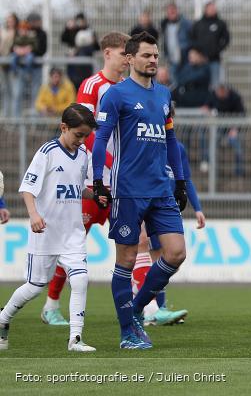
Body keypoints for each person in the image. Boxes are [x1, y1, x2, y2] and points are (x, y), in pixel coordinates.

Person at [91, 32, 189, 350]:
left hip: (161, 189)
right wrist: (97, 180)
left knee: (176, 253)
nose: (153, 60)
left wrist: (181, 181)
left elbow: (171, 141)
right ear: (130, 58)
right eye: (147, 55)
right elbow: (102, 139)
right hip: (128, 189)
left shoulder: (163, 96)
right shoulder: (116, 96)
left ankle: (134, 310)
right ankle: (127, 333)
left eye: (156, 55)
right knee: (128, 258)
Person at [39, 32, 130, 326]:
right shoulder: (93, 86)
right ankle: (51, 304)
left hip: (123, 178)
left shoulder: (129, 88)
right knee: (73, 243)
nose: (127, 59)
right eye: (123, 53)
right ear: (107, 53)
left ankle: (149, 308)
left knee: (137, 239)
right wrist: (110, 164)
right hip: (94, 178)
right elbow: (85, 131)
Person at [0, 104, 97, 352]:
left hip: (72, 234)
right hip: (45, 233)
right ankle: (3, 319)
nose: (82, 140)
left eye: (85, 135)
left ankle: (75, 338)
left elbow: (77, 188)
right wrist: (33, 215)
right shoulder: (47, 153)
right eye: (78, 134)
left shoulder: (84, 154)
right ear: (63, 127)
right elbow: (27, 188)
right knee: (34, 287)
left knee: (81, 280)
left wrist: (94, 195)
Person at [132, 103, 204, 327]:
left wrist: (197, 207)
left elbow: (186, 179)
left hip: (168, 207)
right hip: (149, 205)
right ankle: (151, 308)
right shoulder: (145, 145)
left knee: (168, 258)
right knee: (152, 255)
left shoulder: (176, 148)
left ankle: (153, 307)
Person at [200, 84, 246, 176]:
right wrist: (207, 112)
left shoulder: (235, 97)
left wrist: (235, 129)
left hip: (232, 126)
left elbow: (242, 115)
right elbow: (205, 107)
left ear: (226, 92)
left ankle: (239, 171)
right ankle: (207, 164)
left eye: (222, 93)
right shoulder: (213, 95)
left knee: (238, 149)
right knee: (212, 145)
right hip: (218, 126)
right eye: (218, 93)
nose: (220, 95)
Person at [189, 1, 230, 85]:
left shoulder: (220, 24)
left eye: (213, 8)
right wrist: (197, 53)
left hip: (214, 60)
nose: (212, 10)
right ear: (206, 9)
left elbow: (226, 39)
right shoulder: (198, 24)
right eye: (210, 8)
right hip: (199, 62)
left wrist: (217, 50)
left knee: (215, 85)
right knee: (200, 84)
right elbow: (192, 39)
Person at [160, 3, 192, 85]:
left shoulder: (186, 24)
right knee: (174, 82)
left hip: (185, 58)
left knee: (185, 81)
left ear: (177, 11)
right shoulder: (165, 25)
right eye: (169, 11)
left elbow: (192, 39)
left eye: (173, 10)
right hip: (172, 59)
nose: (171, 13)